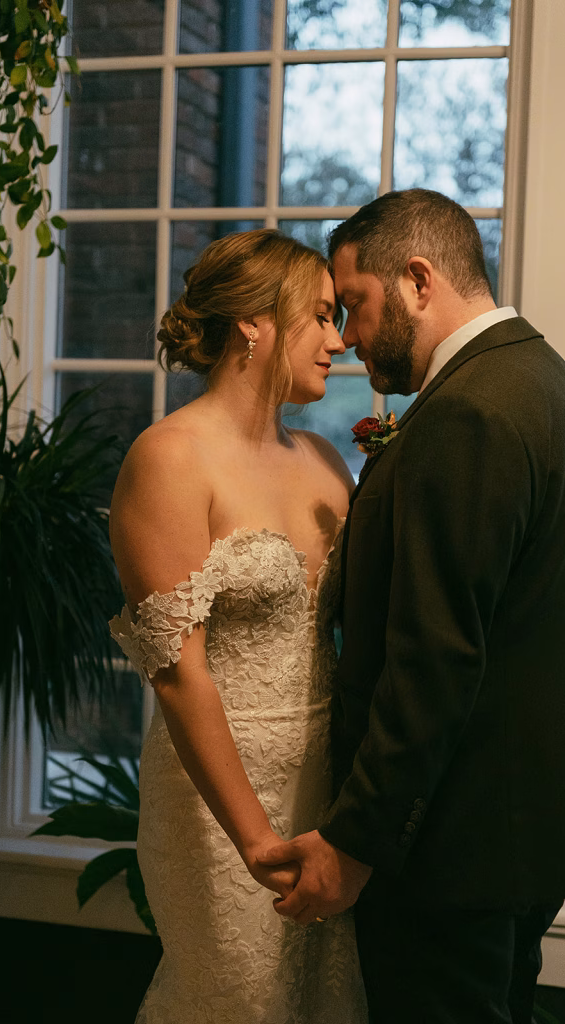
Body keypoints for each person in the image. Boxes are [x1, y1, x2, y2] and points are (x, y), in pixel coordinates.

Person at [259, 189, 565, 1023]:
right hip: (535, 830)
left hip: (454, 850)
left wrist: (355, 843)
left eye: (358, 305)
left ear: (418, 279)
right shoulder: (560, 392)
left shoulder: (470, 413)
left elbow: (434, 659)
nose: (351, 338)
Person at [108, 229, 368, 1023]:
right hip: (219, 804)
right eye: (321, 316)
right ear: (254, 321)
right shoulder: (171, 458)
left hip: (324, 795)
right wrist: (254, 838)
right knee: (238, 999)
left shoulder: (326, 460)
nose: (340, 339)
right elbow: (180, 675)